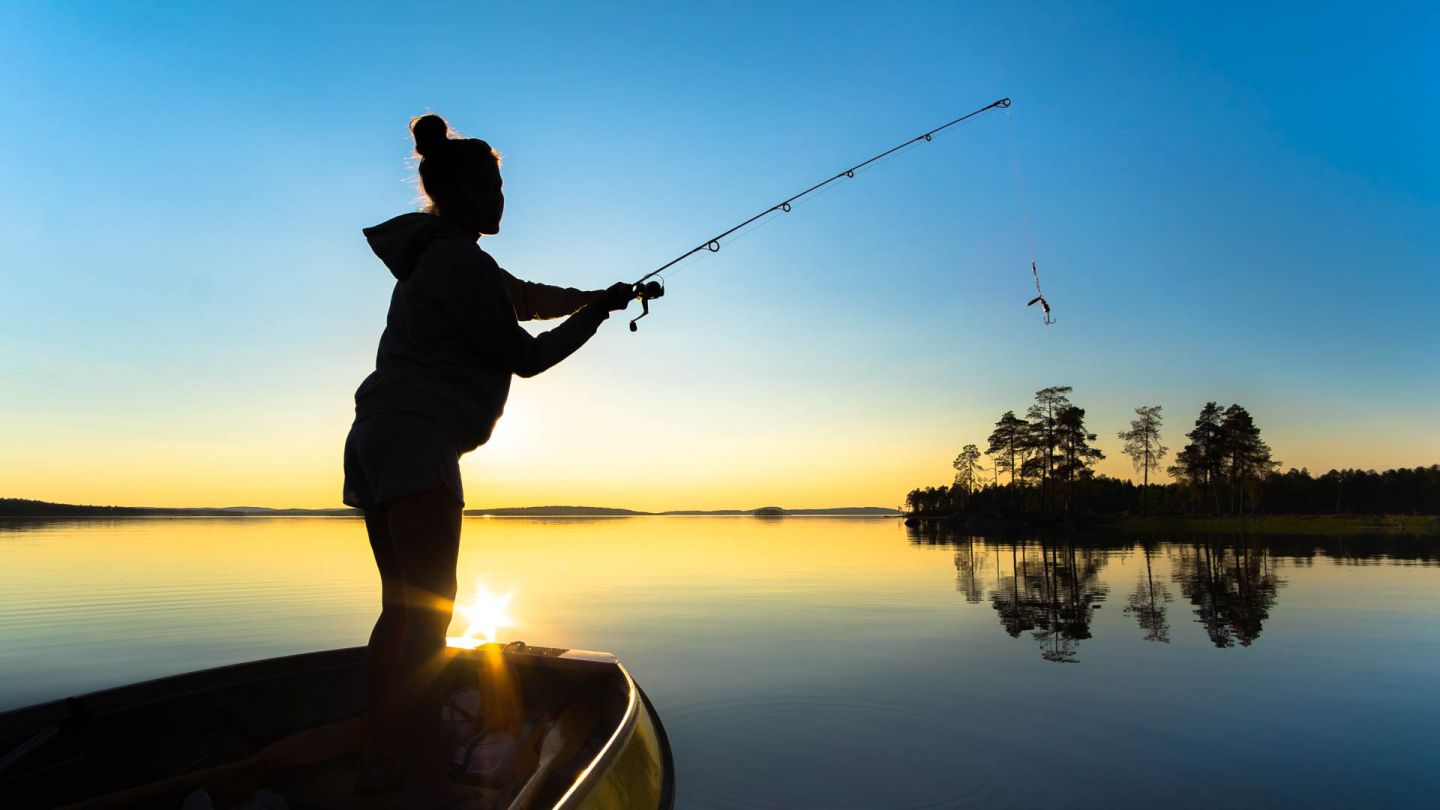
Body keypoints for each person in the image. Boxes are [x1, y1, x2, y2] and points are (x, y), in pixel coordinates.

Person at [342, 113, 633, 805]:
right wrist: (594, 320)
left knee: (399, 610)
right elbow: (525, 357)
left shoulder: (441, 257)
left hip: (376, 435)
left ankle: (380, 741)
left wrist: (598, 297)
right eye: (492, 187)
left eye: (503, 186)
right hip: (419, 439)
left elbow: (526, 298)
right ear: (460, 194)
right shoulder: (460, 261)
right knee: (432, 618)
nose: (502, 199)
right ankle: (410, 766)